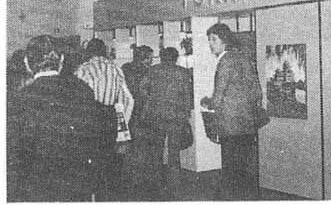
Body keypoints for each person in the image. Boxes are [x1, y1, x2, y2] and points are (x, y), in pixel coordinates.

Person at [7, 35, 116, 201]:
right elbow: (96, 139)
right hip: (77, 185)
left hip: (36, 187)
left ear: (27, 63)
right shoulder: (82, 89)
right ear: (62, 60)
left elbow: (15, 153)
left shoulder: (20, 99)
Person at [200, 23, 263, 199]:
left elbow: (218, 96)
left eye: (214, 39)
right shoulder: (244, 58)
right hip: (246, 122)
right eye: (209, 40)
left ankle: (229, 201)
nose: (211, 44)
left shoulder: (225, 61)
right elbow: (257, 91)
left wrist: (208, 103)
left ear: (224, 40)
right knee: (242, 164)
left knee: (230, 165)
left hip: (229, 122)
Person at [74, 38, 134, 196]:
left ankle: (93, 197)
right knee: (110, 160)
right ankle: (108, 196)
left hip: (90, 116)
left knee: (91, 161)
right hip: (110, 116)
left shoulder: (83, 69)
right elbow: (129, 99)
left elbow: (76, 96)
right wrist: (123, 121)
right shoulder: (115, 68)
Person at [134, 47, 193, 200]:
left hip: (156, 116)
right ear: (175, 58)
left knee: (157, 149)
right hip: (175, 116)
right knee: (174, 151)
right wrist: (185, 114)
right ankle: (175, 183)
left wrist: (150, 100)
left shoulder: (153, 71)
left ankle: (157, 181)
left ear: (161, 57)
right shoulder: (183, 72)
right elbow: (187, 96)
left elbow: (142, 88)